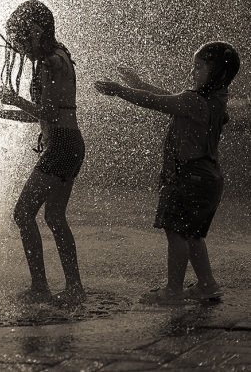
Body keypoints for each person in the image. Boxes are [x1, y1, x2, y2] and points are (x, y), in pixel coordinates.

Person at [94, 41, 240, 304]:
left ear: (216, 72)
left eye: (199, 67)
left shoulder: (194, 101)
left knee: (176, 233)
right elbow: (170, 99)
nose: (193, 72)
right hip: (209, 178)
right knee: (193, 235)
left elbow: (155, 102)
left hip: (188, 176)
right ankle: (207, 284)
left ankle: (173, 290)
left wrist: (120, 91)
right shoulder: (216, 99)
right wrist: (137, 82)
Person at [0, 0, 86, 307]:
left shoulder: (51, 63)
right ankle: (73, 287)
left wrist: (14, 98)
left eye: (20, 38)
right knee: (54, 216)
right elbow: (43, 116)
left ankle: (41, 286)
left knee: (22, 213)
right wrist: (4, 113)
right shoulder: (59, 56)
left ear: (36, 31)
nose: (18, 47)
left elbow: (50, 116)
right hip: (68, 144)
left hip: (61, 147)